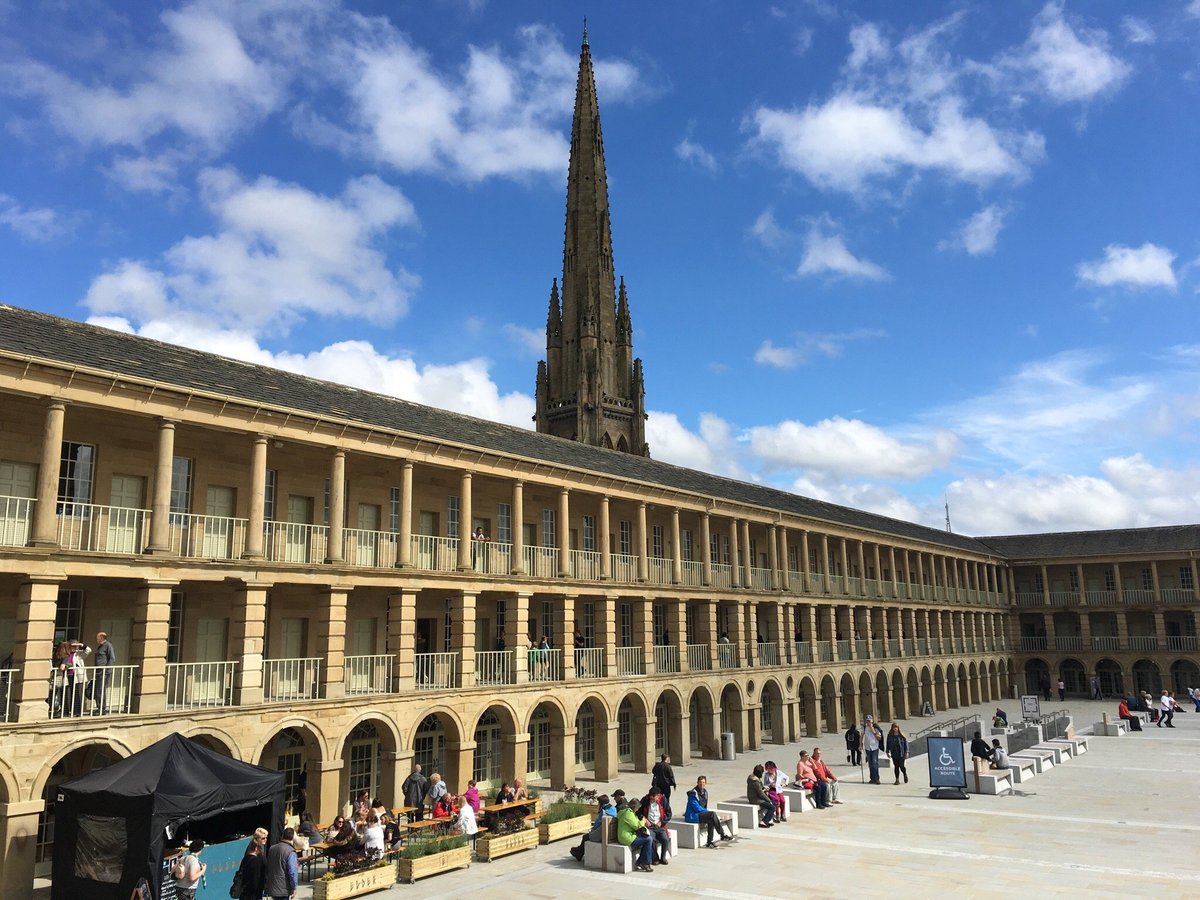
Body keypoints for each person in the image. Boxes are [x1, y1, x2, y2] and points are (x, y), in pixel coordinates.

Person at [683, 776, 733, 847]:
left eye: (703, 782)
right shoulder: (693, 794)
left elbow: (704, 806)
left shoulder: (705, 792)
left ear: (705, 783)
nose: (702, 784)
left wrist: (707, 812)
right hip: (693, 816)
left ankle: (709, 842)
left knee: (711, 819)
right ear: (697, 783)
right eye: (700, 783)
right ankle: (722, 834)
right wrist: (707, 812)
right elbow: (697, 808)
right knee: (712, 815)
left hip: (700, 814)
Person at [570, 793, 617, 861]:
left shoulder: (603, 813)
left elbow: (596, 825)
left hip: (603, 835)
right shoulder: (613, 808)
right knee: (586, 836)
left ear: (601, 804)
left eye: (598, 803)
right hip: (611, 834)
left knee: (585, 837)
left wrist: (592, 830)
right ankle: (579, 851)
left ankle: (579, 853)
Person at [615, 794, 655, 873]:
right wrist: (643, 821)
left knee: (648, 839)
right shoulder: (628, 814)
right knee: (648, 840)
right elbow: (637, 826)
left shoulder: (628, 812)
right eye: (637, 808)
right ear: (634, 807)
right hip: (626, 838)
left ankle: (641, 862)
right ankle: (645, 863)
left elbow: (635, 822)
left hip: (628, 835)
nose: (637, 810)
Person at [265, 827, 298, 900]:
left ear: (282, 836)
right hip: (284, 889)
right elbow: (292, 872)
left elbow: (268, 867)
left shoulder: (272, 848)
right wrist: (294, 887)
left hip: (272, 886)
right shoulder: (290, 852)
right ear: (293, 838)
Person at [234, 828, 268, 900]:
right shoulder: (254, 855)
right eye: (263, 838)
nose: (265, 839)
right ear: (257, 839)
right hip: (252, 892)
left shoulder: (260, 850)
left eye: (266, 837)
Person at [640, 787, 671, 865]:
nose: (652, 798)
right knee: (652, 840)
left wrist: (661, 822)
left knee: (665, 839)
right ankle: (655, 858)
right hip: (650, 826)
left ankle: (663, 857)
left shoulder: (663, 800)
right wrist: (644, 818)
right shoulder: (645, 800)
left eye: (654, 796)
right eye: (651, 796)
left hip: (660, 826)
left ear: (658, 795)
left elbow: (668, 813)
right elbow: (638, 812)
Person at [90, 631, 115, 715]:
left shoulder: (108, 645)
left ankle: (102, 708)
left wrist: (107, 669)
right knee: (97, 689)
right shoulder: (99, 647)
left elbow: (112, 658)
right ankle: (98, 707)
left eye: (97, 637)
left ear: (101, 638)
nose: (96, 639)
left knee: (101, 689)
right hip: (98, 671)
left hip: (104, 671)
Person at [863, 715, 884, 784]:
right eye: (867, 721)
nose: (868, 722)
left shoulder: (876, 727)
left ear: (872, 721)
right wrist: (860, 745)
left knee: (874, 762)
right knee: (870, 763)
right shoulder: (864, 728)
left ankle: (877, 778)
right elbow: (861, 736)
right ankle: (872, 778)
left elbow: (879, 738)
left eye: (869, 721)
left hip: (874, 747)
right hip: (867, 747)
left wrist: (873, 731)